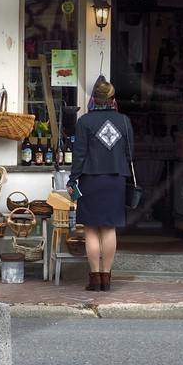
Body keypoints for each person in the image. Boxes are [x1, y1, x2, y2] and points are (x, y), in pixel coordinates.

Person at [69, 77, 135, 293]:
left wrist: (73, 179)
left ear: (93, 99)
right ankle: (107, 278)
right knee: (109, 229)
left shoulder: (84, 122)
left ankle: (94, 278)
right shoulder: (124, 121)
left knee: (90, 229)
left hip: (90, 179)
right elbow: (130, 153)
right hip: (116, 179)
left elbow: (79, 155)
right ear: (113, 99)